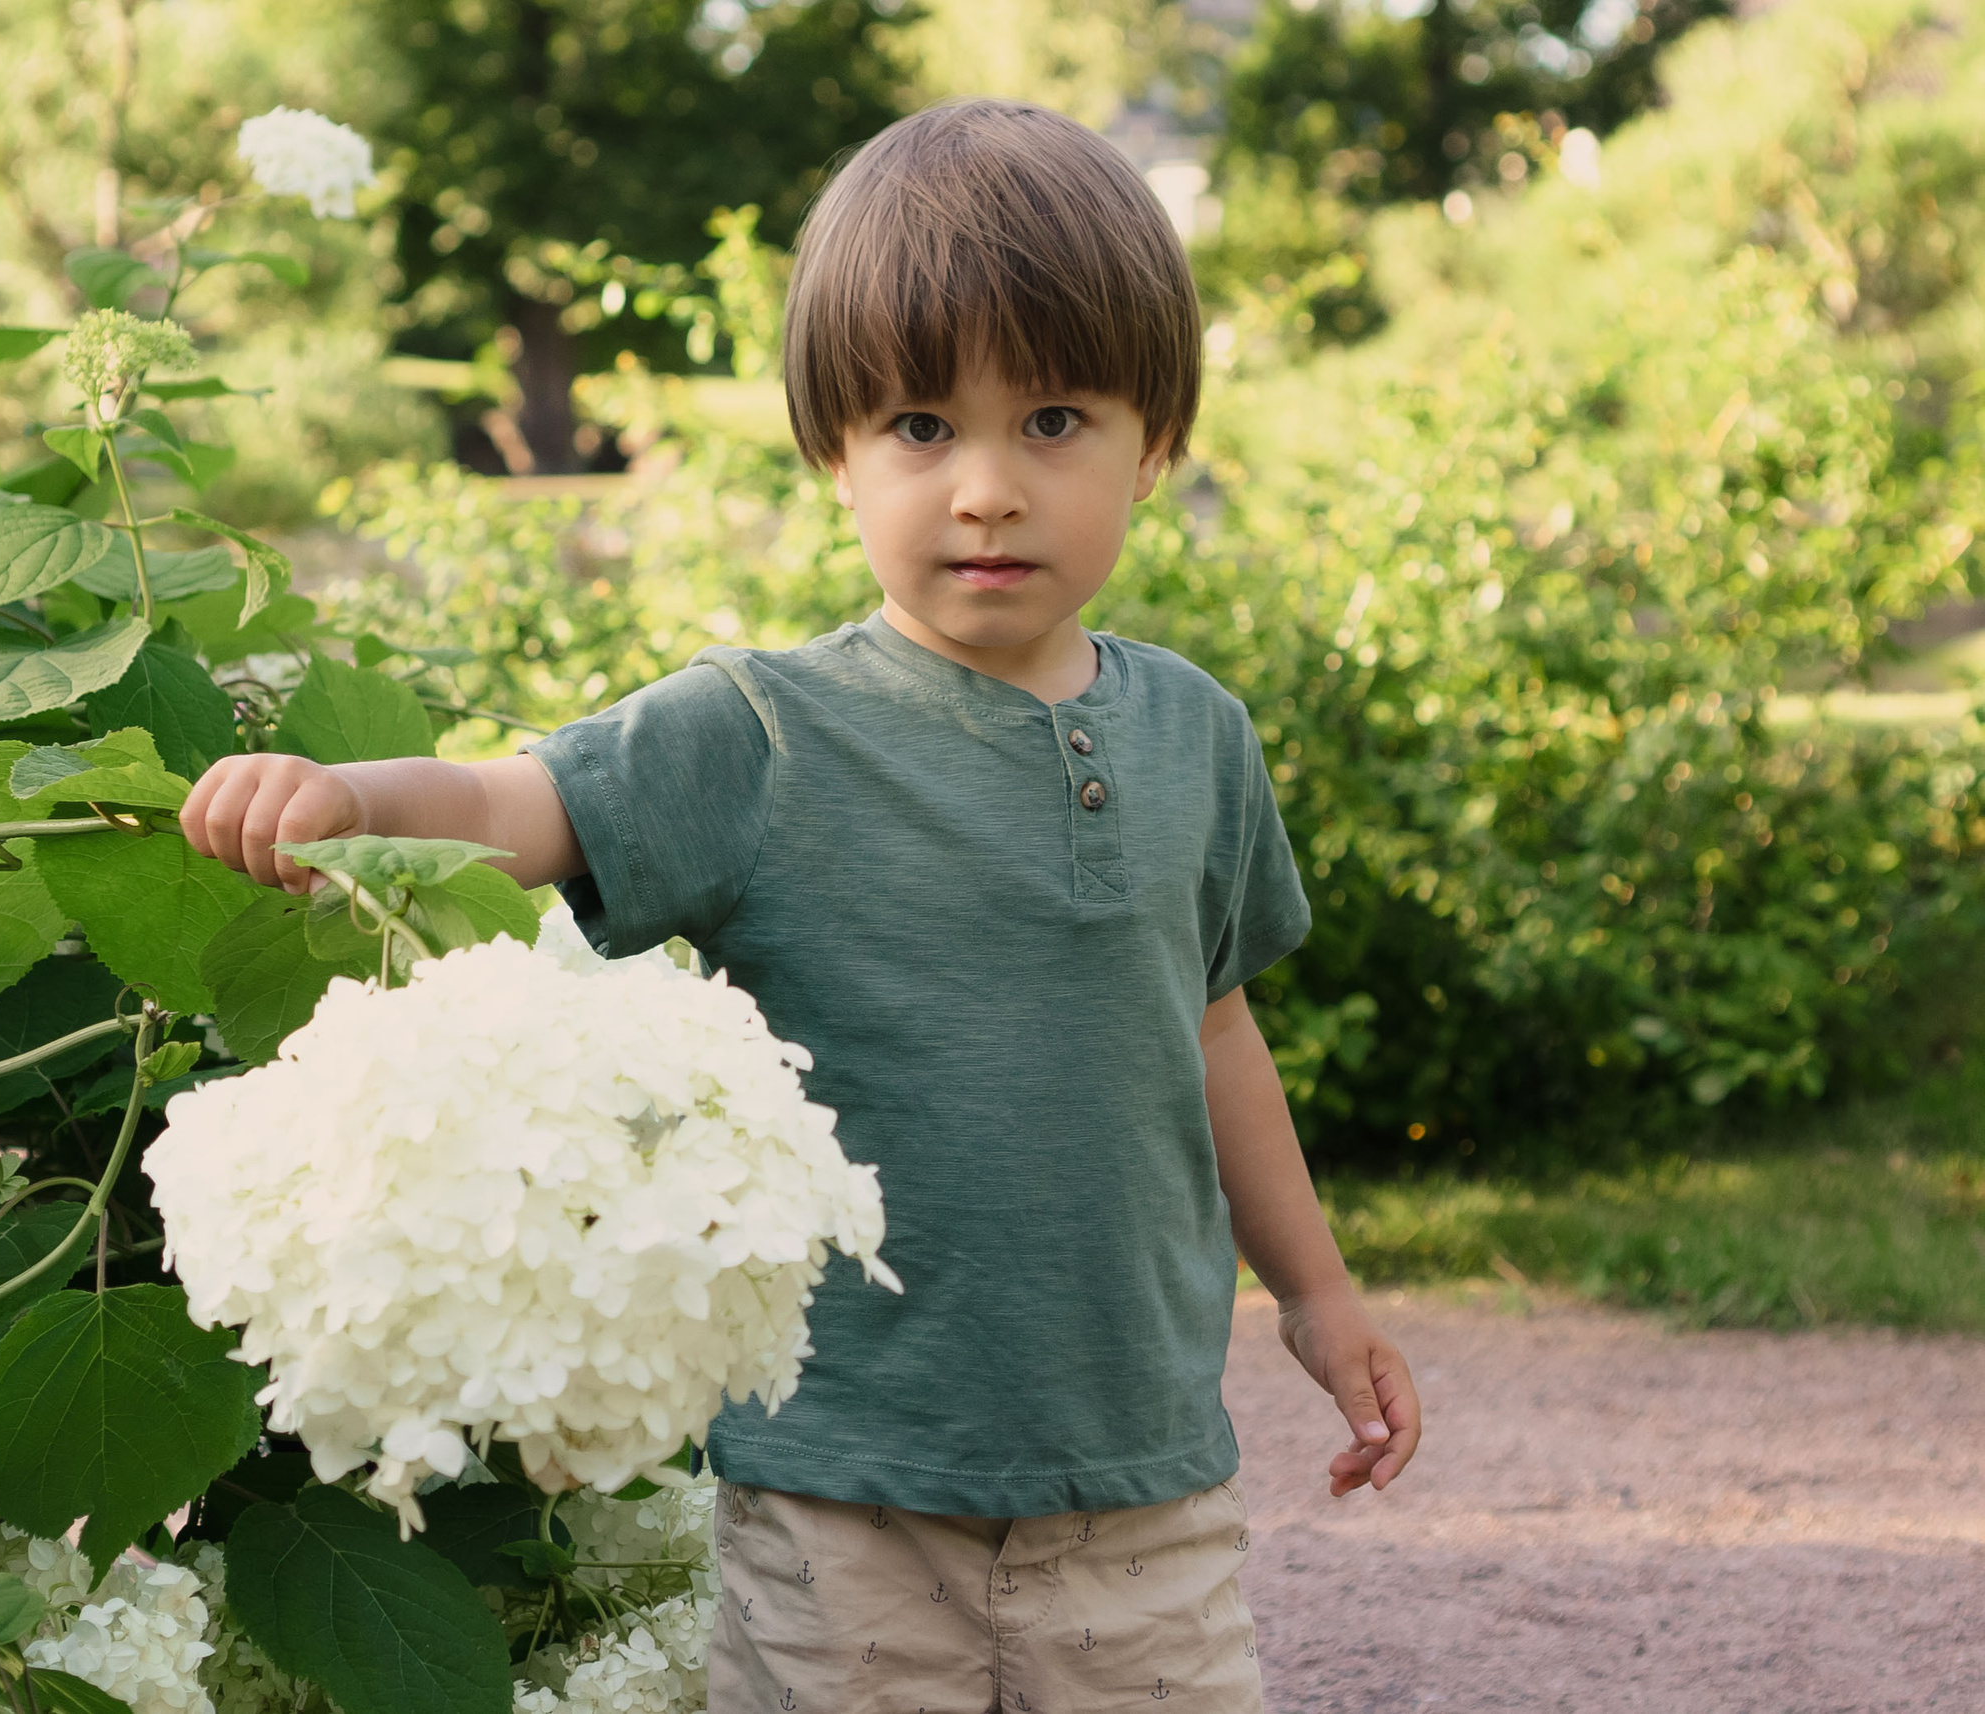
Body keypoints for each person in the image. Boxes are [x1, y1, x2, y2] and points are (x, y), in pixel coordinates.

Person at [179, 96, 1421, 1714]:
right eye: (921, 426)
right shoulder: (757, 733)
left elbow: (1214, 1025)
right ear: (835, 451)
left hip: (1142, 1489)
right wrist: (351, 800)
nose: (985, 490)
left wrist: (1320, 1296)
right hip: (844, 1489)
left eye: (1053, 420)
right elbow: (511, 802)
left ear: (1156, 440)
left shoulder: (1198, 734)